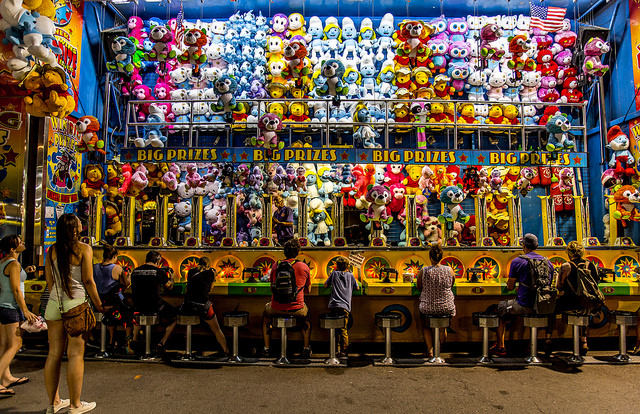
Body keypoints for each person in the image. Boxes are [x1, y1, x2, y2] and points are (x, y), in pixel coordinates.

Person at [44, 213, 105, 414]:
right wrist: (99, 304)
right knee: (75, 355)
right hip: (76, 306)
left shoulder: (51, 250)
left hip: (54, 304)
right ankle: (75, 405)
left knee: (53, 354)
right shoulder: (84, 249)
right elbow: (88, 280)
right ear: (75, 229)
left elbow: (50, 281)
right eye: (79, 222)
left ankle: (54, 403)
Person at [491, 233, 554, 357]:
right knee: (534, 315)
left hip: (523, 304)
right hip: (543, 305)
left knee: (499, 309)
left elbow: (510, 286)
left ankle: (500, 346)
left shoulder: (518, 261)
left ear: (523, 245)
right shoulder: (548, 262)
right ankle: (532, 345)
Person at [0, 235, 37, 397]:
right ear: (12, 249)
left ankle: (6, 377)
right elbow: (16, 289)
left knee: (4, 345)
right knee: (16, 344)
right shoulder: (14, 264)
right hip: (11, 308)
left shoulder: (3, 263)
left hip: (2, 306)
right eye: (19, 242)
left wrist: (26, 271)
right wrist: (25, 311)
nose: (23, 243)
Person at [261, 238, 312, 357]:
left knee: (266, 317)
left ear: (284, 252)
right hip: (297, 309)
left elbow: (271, 288)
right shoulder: (304, 267)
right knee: (307, 318)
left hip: (276, 307)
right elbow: (308, 291)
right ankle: (306, 348)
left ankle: (266, 348)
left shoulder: (275, 266)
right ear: (298, 252)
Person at [552, 241, 600, 355]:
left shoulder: (566, 266)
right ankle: (584, 341)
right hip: (588, 303)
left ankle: (549, 338)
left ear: (568, 253)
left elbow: (559, 287)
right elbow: (596, 283)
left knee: (550, 308)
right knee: (583, 311)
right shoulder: (591, 265)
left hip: (569, 303)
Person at [130, 251, 177, 356]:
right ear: (158, 261)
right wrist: (172, 278)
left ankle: (135, 339)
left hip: (137, 305)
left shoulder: (135, 271)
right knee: (174, 316)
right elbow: (169, 287)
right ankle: (161, 344)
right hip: (154, 305)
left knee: (139, 314)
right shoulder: (158, 271)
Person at [182, 257, 229, 355]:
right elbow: (210, 289)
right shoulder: (210, 273)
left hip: (188, 305)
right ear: (209, 265)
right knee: (216, 329)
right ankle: (227, 351)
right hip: (203, 306)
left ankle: (186, 350)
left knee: (186, 324)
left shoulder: (191, 272)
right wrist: (214, 275)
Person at [416, 244, 456, 358]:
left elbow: (419, 288)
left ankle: (429, 351)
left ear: (430, 257)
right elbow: (451, 285)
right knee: (443, 327)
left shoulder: (423, 271)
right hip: (446, 307)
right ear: (441, 257)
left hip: (428, 307)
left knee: (426, 326)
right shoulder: (449, 270)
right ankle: (439, 348)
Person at [93, 244, 133, 351]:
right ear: (114, 256)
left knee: (111, 317)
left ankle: (111, 341)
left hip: (99, 303)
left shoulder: (95, 267)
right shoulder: (117, 268)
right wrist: (128, 275)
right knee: (130, 315)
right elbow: (125, 284)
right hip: (115, 303)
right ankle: (128, 343)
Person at [323, 257, 359, 357]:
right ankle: (344, 351)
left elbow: (325, 285)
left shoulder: (334, 274)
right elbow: (357, 287)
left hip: (334, 305)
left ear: (336, 266)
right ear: (348, 266)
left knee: (335, 328)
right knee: (343, 329)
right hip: (345, 307)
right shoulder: (351, 275)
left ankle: (335, 349)